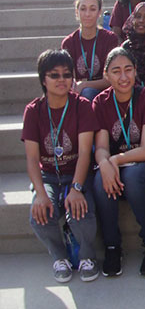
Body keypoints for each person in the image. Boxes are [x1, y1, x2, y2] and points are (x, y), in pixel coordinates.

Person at [22, 49, 100, 282]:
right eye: (54, 75)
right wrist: (41, 194)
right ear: (43, 79)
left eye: (67, 74)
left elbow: (86, 152)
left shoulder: (82, 105)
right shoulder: (34, 110)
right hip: (48, 176)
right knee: (40, 213)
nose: (61, 80)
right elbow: (31, 158)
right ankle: (59, 256)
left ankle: (87, 256)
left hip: (77, 172)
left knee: (80, 211)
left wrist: (76, 188)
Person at [91, 47, 145, 277]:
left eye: (128, 70)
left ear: (135, 72)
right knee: (99, 181)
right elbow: (101, 146)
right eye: (116, 71)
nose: (123, 77)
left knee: (133, 177)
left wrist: (113, 160)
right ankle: (112, 247)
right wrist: (104, 164)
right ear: (106, 75)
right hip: (117, 166)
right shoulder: (100, 102)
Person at [61, 0, 119, 100]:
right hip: (78, 93)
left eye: (92, 9)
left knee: (88, 92)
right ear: (76, 11)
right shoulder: (69, 42)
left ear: (99, 12)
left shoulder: (110, 39)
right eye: (83, 9)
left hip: (105, 94)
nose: (87, 14)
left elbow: (110, 79)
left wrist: (84, 84)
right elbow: (69, 79)